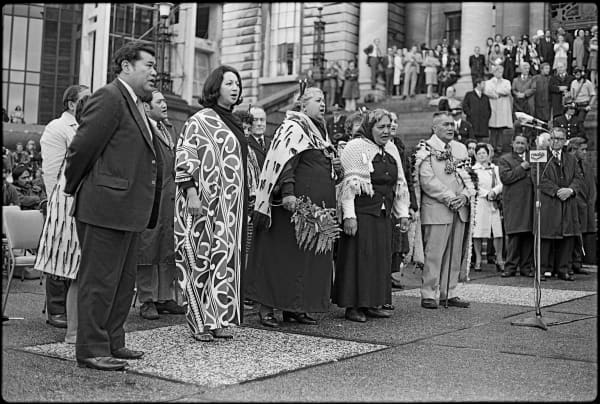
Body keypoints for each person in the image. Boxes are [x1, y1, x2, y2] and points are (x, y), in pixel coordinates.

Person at [64, 41, 161, 371]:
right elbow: (81, 149)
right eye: (148, 65)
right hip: (105, 208)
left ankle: (113, 342)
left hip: (128, 211)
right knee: (100, 282)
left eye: (155, 66)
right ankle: (91, 349)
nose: (155, 72)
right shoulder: (109, 97)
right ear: (126, 66)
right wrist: (77, 189)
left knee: (121, 283)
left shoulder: (133, 102)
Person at [246, 87, 340, 328]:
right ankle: (266, 308)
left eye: (324, 100)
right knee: (281, 259)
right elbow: (284, 161)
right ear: (303, 105)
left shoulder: (319, 132)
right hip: (293, 207)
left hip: (315, 210)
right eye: (318, 100)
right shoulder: (293, 128)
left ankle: (295, 307)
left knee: (305, 259)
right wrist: (288, 192)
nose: (323, 104)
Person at [175, 65, 247, 342]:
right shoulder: (201, 119)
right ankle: (197, 321)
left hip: (230, 207)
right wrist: (191, 193)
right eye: (229, 82)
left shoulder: (235, 120)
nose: (235, 87)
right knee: (200, 259)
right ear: (215, 86)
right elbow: (185, 155)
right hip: (204, 203)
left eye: (237, 83)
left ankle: (217, 318)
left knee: (223, 259)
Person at [333, 108, 410, 322]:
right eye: (381, 127)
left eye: (388, 127)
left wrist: (402, 214)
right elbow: (349, 185)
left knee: (380, 259)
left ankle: (373, 302)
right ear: (370, 127)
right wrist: (349, 216)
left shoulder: (392, 150)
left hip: (383, 213)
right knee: (360, 259)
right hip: (362, 213)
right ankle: (354, 306)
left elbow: (400, 185)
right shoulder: (356, 147)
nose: (386, 131)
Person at [37, 84, 90, 332]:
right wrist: (53, 202)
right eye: (85, 98)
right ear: (71, 103)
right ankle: (56, 309)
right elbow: (52, 170)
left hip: (82, 198)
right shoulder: (57, 128)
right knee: (59, 252)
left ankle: (70, 308)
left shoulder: (85, 126)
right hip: (63, 198)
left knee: (74, 253)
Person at [414, 111, 475, 309]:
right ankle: (429, 293)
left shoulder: (460, 148)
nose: (451, 128)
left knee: (455, 252)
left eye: (452, 124)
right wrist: (450, 197)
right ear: (435, 128)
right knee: (434, 253)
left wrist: (465, 195)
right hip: (437, 208)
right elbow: (427, 179)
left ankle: (448, 292)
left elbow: (469, 176)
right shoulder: (425, 148)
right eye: (446, 124)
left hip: (460, 208)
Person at [136, 90, 184, 320]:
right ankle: (146, 299)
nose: (164, 104)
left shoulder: (169, 128)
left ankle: (165, 297)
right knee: (147, 249)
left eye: (165, 100)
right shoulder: (143, 130)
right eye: (159, 101)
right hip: (150, 198)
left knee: (167, 247)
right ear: (146, 106)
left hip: (170, 197)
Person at [536, 127, 583, 281]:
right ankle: (541, 270)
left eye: (560, 139)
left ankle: (563, 269)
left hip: (567, 202)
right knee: (546, 236)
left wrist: (570, 190)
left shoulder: (571, 158)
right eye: (554, 138)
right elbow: (537, 178)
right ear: (549, 140)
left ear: (565, 141)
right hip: (549, 202)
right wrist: (557, 191)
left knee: (567, 237)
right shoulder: (540, 155)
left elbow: (578, 178)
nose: (556, 142)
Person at [497, 134, 535, 278]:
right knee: (514, 236)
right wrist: (522, 167)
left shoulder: (533, 158)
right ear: (512, 144)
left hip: (529, 202)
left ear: (527, 145)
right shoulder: (505, 159)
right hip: (514, 204)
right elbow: (506, 178)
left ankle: (526, 267)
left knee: (527, 235)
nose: (520, 146)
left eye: (523, 143)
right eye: (517, 143)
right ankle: (510, 267)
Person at [389, 112, 418, 292]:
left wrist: (412, 204)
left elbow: (407, 178)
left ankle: (394, 273)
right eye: (388, 122)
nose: (392, 125)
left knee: (400, 237)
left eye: (395, 121)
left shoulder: (401, 148)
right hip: (385, 198)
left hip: (401, 197)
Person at [471, 144, 504, 272]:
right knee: (478, 232)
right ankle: (478, 259)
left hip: (493, 201)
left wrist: (494, 192)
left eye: (484, 153)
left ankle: (499, 258)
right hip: (480, 202)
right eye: (479, 153)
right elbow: (473, 186)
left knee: (497, 232)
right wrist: (486, 193)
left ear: (488, 154)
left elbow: (501, 183)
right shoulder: (473, 170)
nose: (482, 156)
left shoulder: (495, 169)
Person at [567, 137, 596, 275]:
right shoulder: (568, 164)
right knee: (572, 235)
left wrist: (591, 201)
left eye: (586, 149)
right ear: (574, 149)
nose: (585, 152)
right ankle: (569, 263)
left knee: (582, 234)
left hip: (586, 204)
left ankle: (578, 262)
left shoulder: (586, 165)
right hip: (574, 203)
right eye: (582, 149)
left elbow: (592, 185)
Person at [484, 64, 513, 155]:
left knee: (500, 129)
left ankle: (499, 147)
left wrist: (496, 91)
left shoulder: (506, 82)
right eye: (498, 71)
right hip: (493, 106)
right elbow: (488, 91)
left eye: (501, 72)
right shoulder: (488, 82)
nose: (500, 73)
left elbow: (507, 91)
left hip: (502, 107)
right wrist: (498, 93)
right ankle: (492, 147)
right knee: (493, 128)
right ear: (494, 72)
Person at [462, 78, 491, 143]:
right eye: (483, 83)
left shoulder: (485, 97)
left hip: (482, 123)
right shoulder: (469, 95)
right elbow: (465, 106)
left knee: (481, 141)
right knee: (472, 139)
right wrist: (470, 114)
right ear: (478, 84)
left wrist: (486, 117)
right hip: (472, 121)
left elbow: (489, 109)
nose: (484, 85)